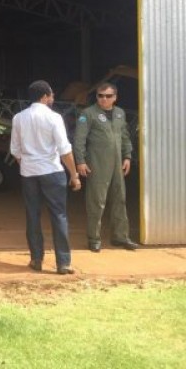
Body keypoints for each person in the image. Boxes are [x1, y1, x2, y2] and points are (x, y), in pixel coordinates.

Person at [10, 80, 82, 275]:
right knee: (59, 215)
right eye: (51, 94)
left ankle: (36, 259)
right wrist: (74, 175)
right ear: (44, 97)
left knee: (32, 215)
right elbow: (65, 150)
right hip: (52, 171)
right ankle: (63, 263)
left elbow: (15, 150)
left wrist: (27, 164)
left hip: (29, 173)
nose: (53, 97)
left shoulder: (18, 118)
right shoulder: (54, 118)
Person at [73, 82, 138, 252]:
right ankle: (94, 238)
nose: (103, 99)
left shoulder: (120, 113)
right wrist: (80, 161)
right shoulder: (88, 114)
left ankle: (120, 236)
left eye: (108, 96)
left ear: (115, 97)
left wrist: (127, 156)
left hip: (117, 164)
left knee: (120, 199)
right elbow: (79, 139)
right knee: (97, 201)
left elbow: (125, 136)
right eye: (100, 96)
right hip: (97, 163)